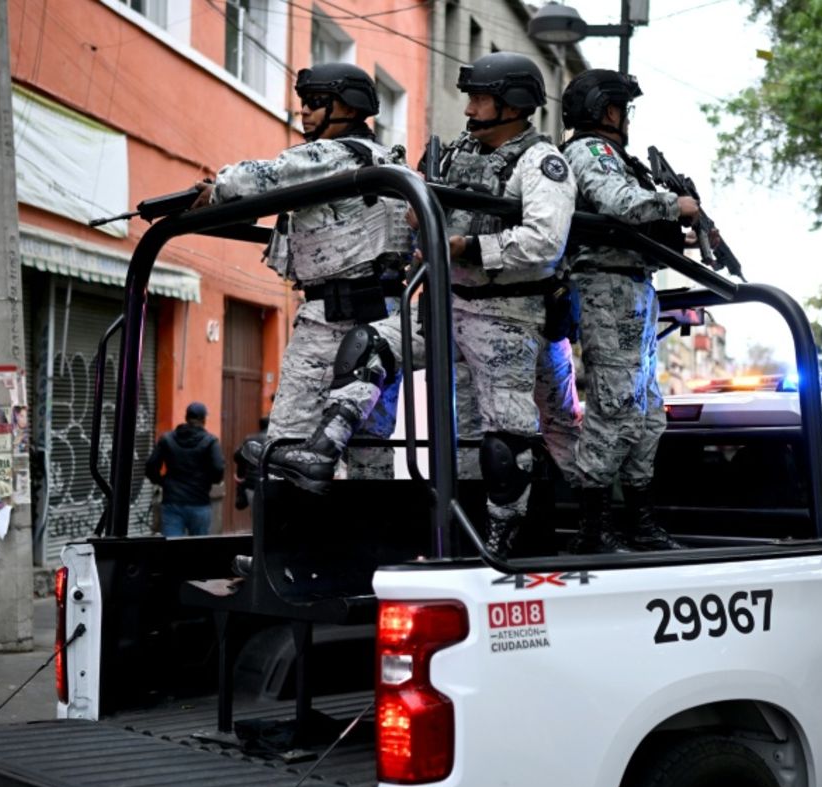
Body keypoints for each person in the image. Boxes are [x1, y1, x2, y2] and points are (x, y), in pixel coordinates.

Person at [197, 63, 411, 495]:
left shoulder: (330, 156)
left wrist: (214, 191)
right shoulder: (386, 160)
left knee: (285, 443)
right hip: (383, 318)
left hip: (332, 318)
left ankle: (282, 552)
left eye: (315, 103)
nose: (305, 113)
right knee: (369, 446)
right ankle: (370, 549)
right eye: (302, 104)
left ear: (348, 108)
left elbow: (258, 178)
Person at [437, 52, 581, 556]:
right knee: (462, 440)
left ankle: (509, 542)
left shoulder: (543, 163)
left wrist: (471, 248)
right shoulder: (457, 155)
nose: (470, 109)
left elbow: (544, 241)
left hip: (513, 313)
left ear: (512, 103)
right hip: (452, 308)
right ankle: (460, 537)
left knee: (510, 440)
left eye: (479, 98)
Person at [560, 69, 700, 552]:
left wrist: (678, 232)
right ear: (608, 111)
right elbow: (619, 203)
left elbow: (632, 218)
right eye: (623, 109)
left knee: (647, 416)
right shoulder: (589, 152)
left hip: (634, 289)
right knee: (616, 411)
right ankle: (593, 530)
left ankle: (640, 524)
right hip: (607, 287)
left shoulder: (618, 158)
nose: (626, 119)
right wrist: (676, 205)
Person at [145, 402, 225, 536]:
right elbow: (218, 469)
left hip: (172, 502)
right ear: (203, 419)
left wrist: (163, 482)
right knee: (198, 551)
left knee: (172, 550)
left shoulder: (167, 439)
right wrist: (208, 482)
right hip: (200, 502)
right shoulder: (211, 442)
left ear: (186, 417)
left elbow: (150, 466)